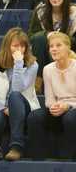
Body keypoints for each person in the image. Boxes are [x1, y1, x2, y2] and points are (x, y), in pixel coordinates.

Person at [0, 27, 40, 161]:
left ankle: (16, 147)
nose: (20, 50)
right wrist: (4, 109)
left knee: (14, 96)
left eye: (23, 46)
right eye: (15, 46)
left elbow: (17, 89)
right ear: (7, 46)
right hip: (1, 108)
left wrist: (18, 63)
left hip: (24, 107)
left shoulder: (32, 64)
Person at [27, 31, 76, 159]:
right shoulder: (47, 69)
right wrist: (55, 107)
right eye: (51, 46)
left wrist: (67, 106)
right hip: (58, 108)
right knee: (34, 117)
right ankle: (39, 159)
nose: (54, 49)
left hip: (73, 108)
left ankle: (68, 159)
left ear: (68, 47)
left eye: (58, 45)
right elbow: (49, 100)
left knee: (70, 118)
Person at [28, 0, 76, 93]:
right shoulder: (40, 11)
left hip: (69, 50)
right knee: (39, 39)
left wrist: (61, 39)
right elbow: (30, 36)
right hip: (44, 50)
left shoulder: (74, 12)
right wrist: (47, 34)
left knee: (56, 47)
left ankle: (59, 87)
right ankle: (39, 82)